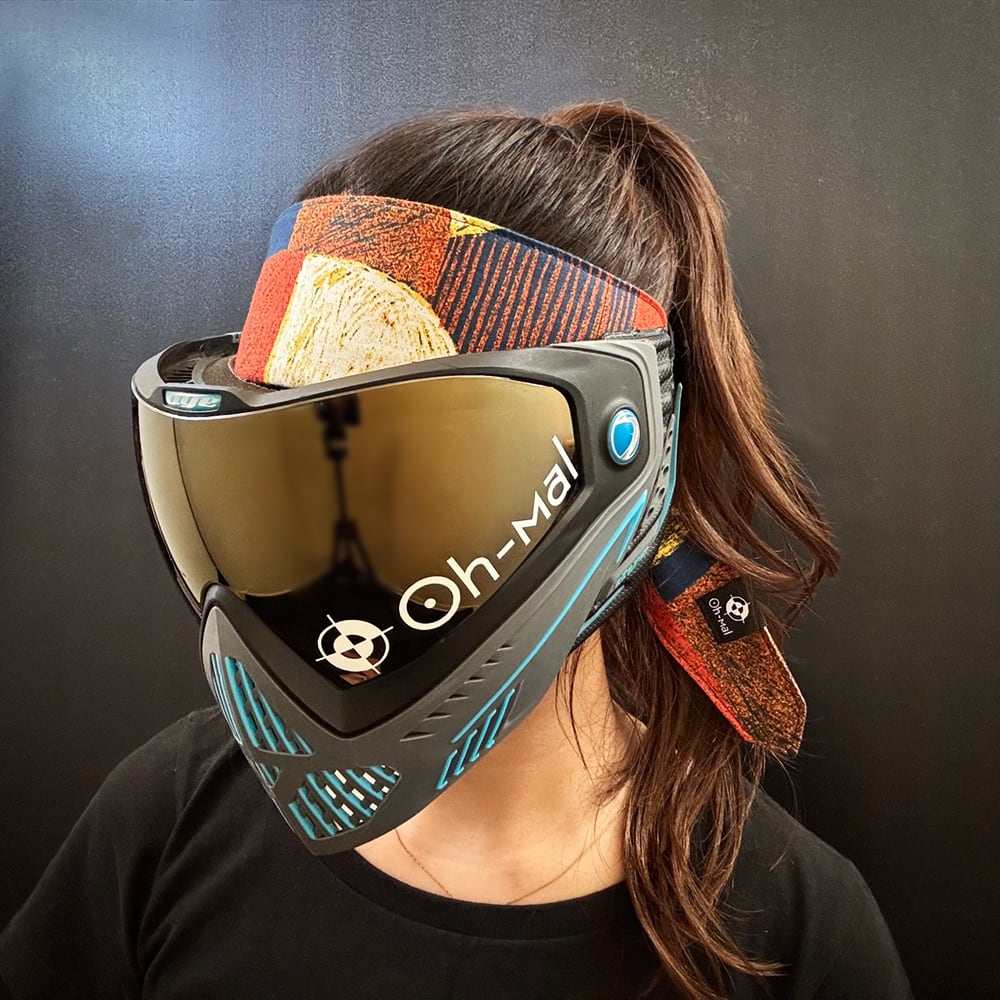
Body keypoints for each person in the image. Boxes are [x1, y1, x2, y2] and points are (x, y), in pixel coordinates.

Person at [0, 102, 912, 1000]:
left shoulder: (793, 928)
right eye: (294, 479)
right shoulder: (168, 814)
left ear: (616, 454)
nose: (341, 565)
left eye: (424, 477)